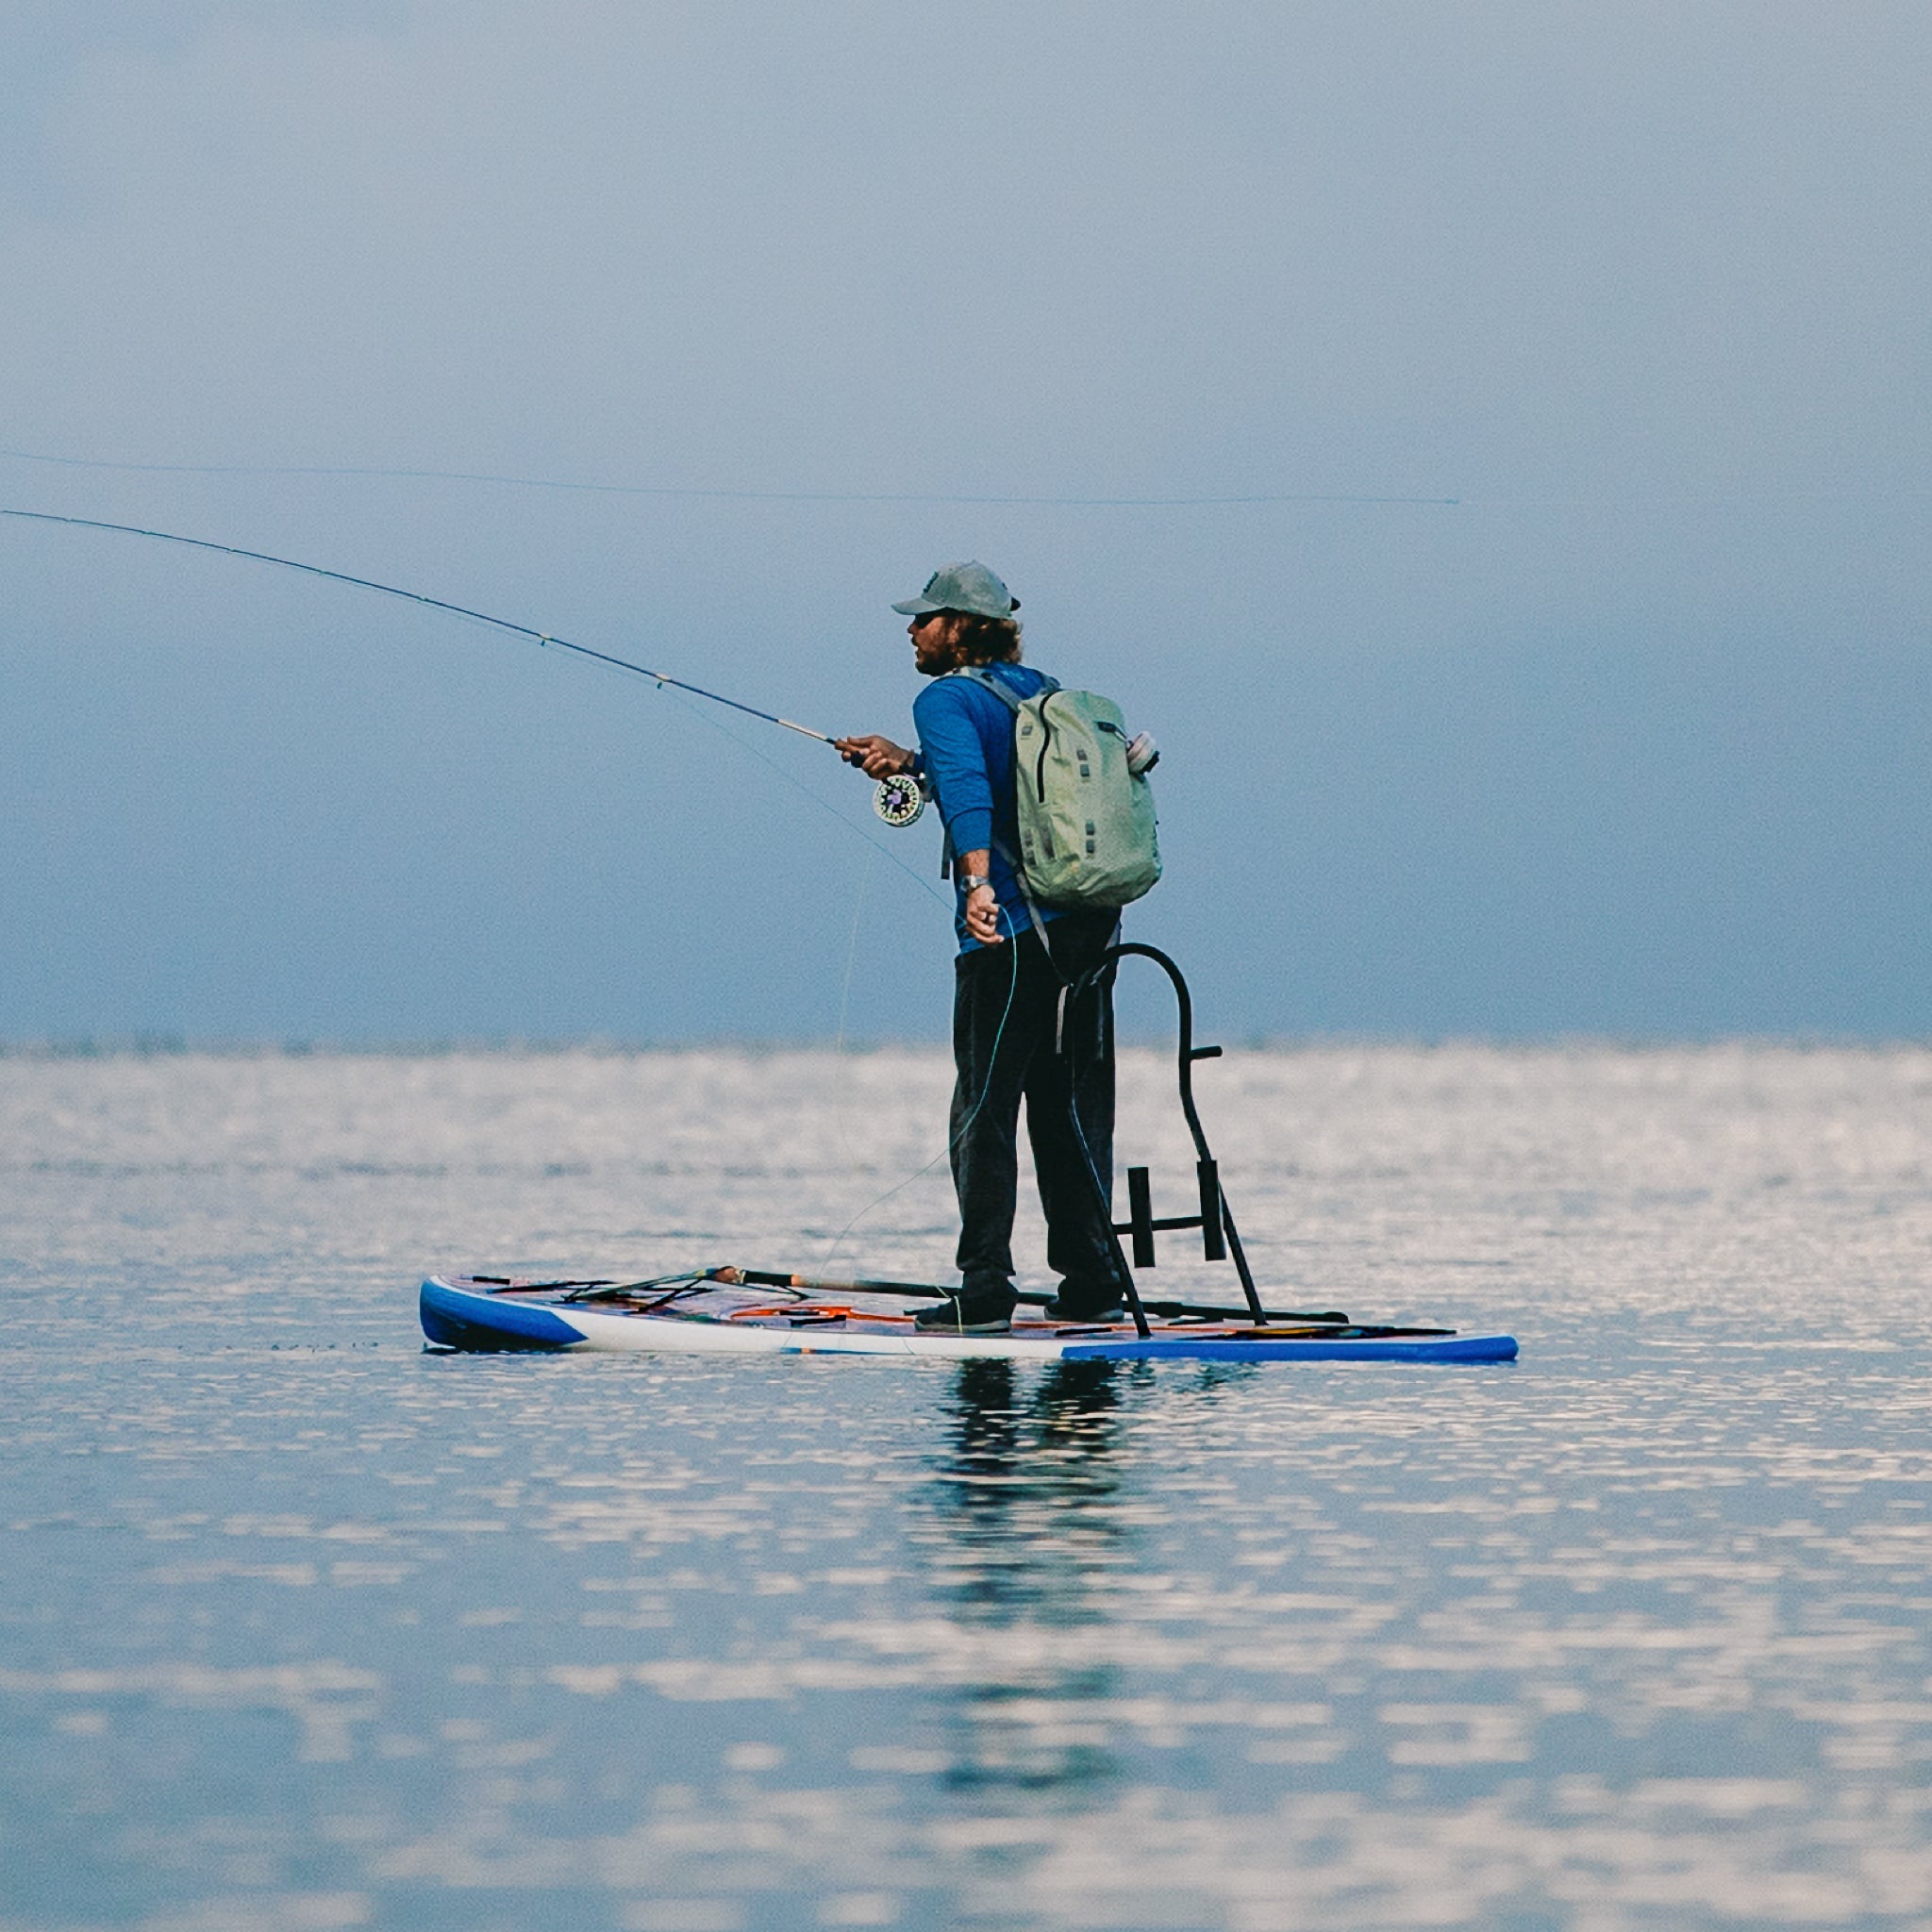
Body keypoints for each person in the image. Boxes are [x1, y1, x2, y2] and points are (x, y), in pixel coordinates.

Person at [837, 561, 1124, 1334]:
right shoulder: (1043, 692)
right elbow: (1000, 773)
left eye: (925, 619)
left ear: (962, 627)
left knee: (984, 1107)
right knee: (1066, 1105)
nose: (912, 630)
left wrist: (977, 886)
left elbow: (973, 793)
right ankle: (1094, 1276)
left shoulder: (944, 697)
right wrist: (910, 762)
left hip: (1006, 935)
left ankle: (986, 1287)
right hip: (1089, 931)